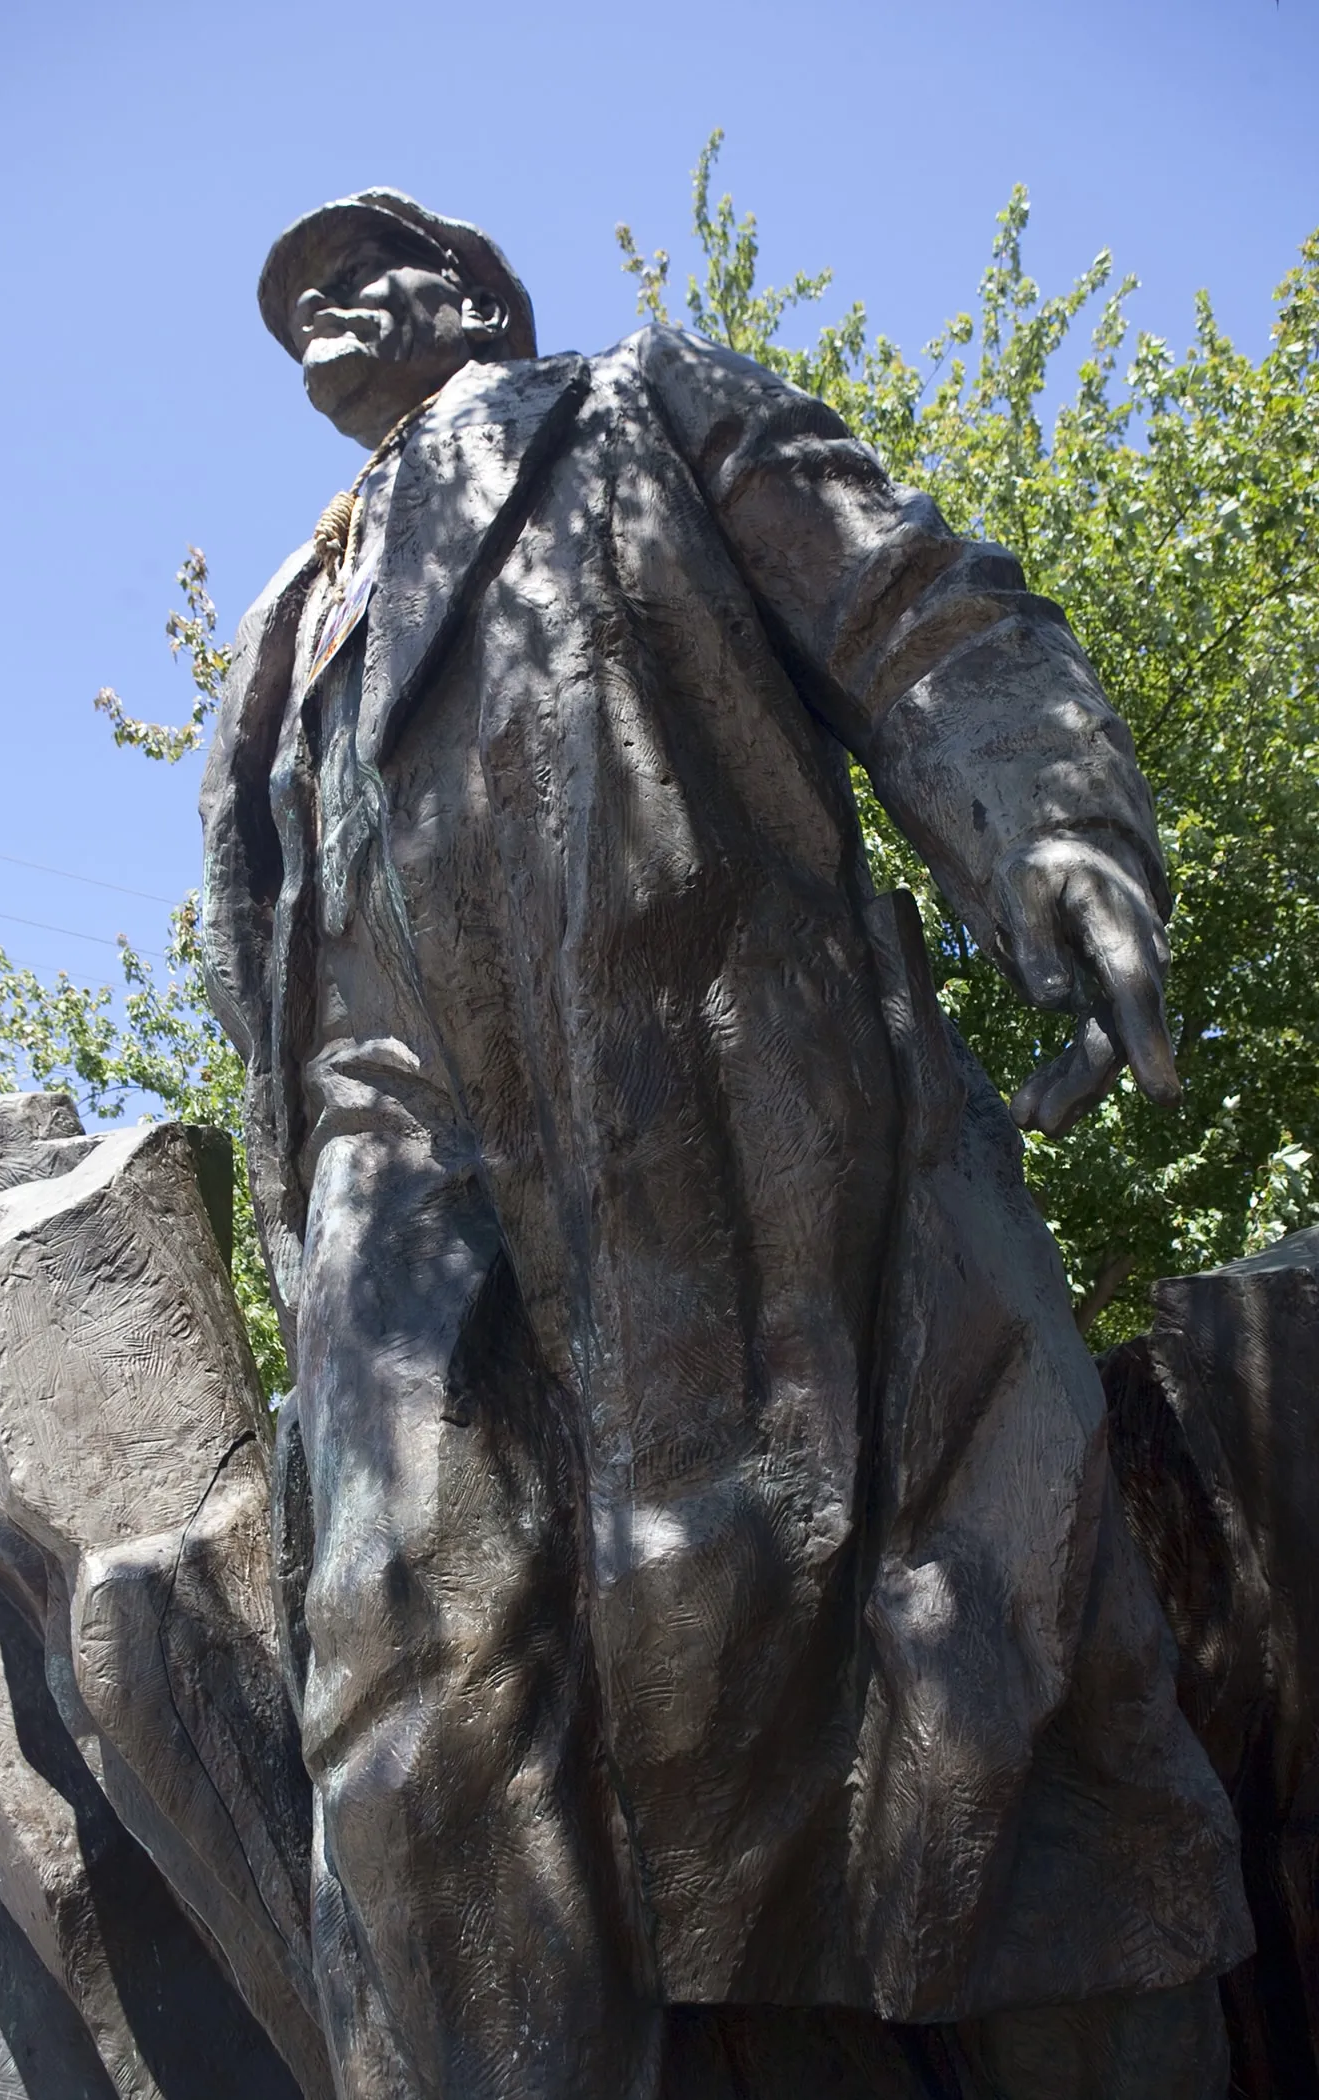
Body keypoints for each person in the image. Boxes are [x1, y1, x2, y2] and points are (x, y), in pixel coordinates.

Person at [201, 189, 1251, 2099]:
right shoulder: (279, 634)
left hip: (719, 1112)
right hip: (394, 1194)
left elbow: (919, 610)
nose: (327, 307)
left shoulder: (632, 408)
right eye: (296, 301)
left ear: (475, 296)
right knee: (402, 1666)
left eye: (363, 270)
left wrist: (1062, 844)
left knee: (948, 1675)